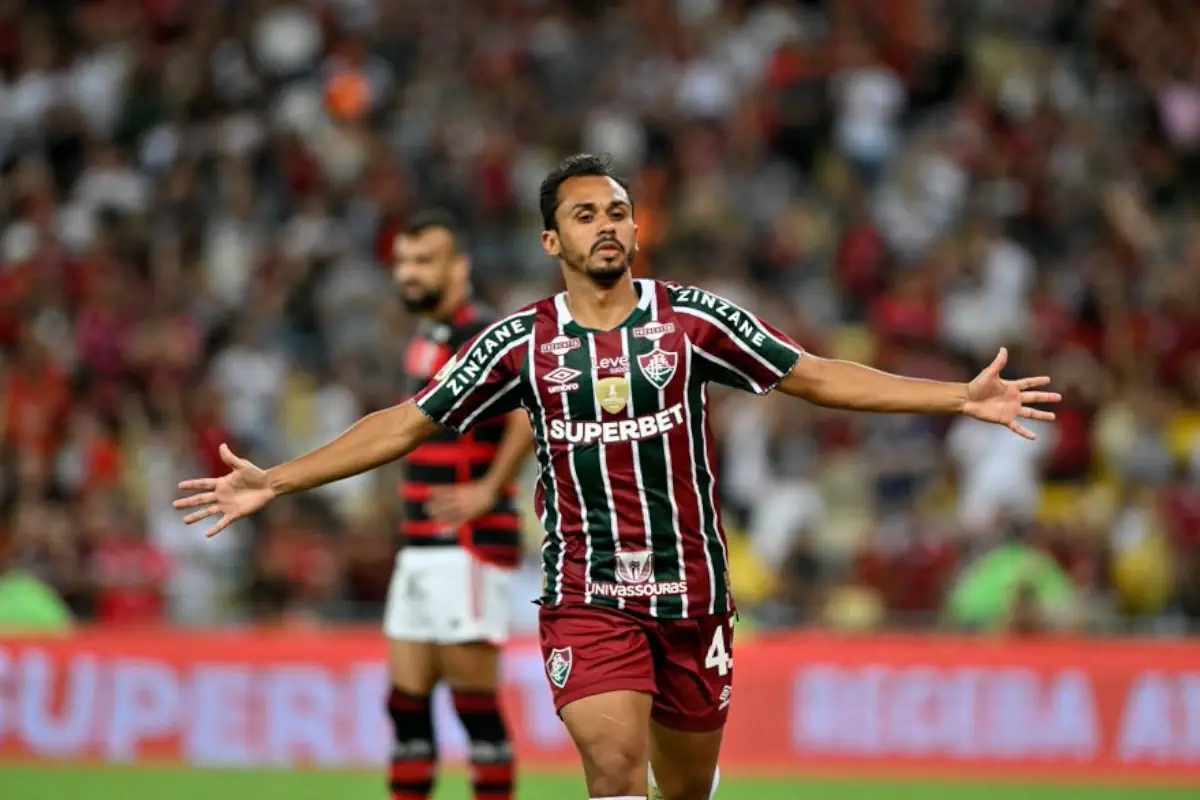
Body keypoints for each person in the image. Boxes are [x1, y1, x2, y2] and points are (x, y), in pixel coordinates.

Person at [174, 154, 1061, 800]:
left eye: (619, 211)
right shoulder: (520, 342)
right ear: (551, 237)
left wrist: (956, 397)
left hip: (695, 596)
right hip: (587, 596)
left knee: (683, 788)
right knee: (611, 770)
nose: (608, 225)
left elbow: (816, 374)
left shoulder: (693, 320)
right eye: (587, 214)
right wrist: (277, 481)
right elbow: (408, 421)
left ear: (636, 229)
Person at [384, 209, 533, 800]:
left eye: (424, 261)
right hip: (421, 545)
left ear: (459, 267)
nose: (409, 273)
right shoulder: (426, 336)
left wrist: (490, 489)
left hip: (468, 544)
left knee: (476, 711)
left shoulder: (483, 334)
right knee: (405, 709)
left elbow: (525, 409)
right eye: (402, 261)